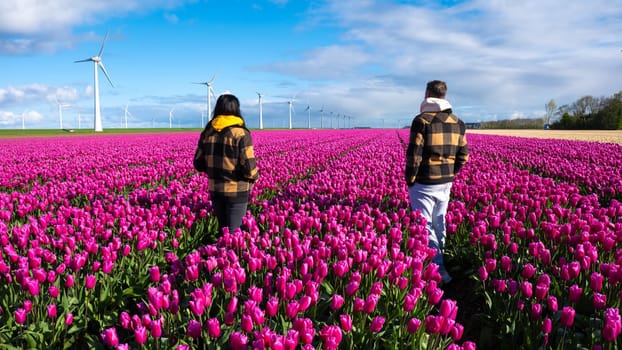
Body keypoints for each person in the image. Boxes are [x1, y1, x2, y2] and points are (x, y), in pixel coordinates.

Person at [405, 80, 469, 284]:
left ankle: (439, 271)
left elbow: (414, 155)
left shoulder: (422, 121)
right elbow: (463, 155)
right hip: (445, 182)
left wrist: (411, 179)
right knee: (439, 221)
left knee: (425, 227)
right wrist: (452, 173)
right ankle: (443, 258)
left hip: (424, 182)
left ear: (427, 94)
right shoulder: (458, 122)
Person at [193, 93, 258, 233]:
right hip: (236, 191)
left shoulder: (208, 132)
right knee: (234, 234)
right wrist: (253, 178)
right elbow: (249, 169)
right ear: (236, 110)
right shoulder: (241, 134)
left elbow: (198, 163)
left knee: (223, 232)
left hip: (216, 190)